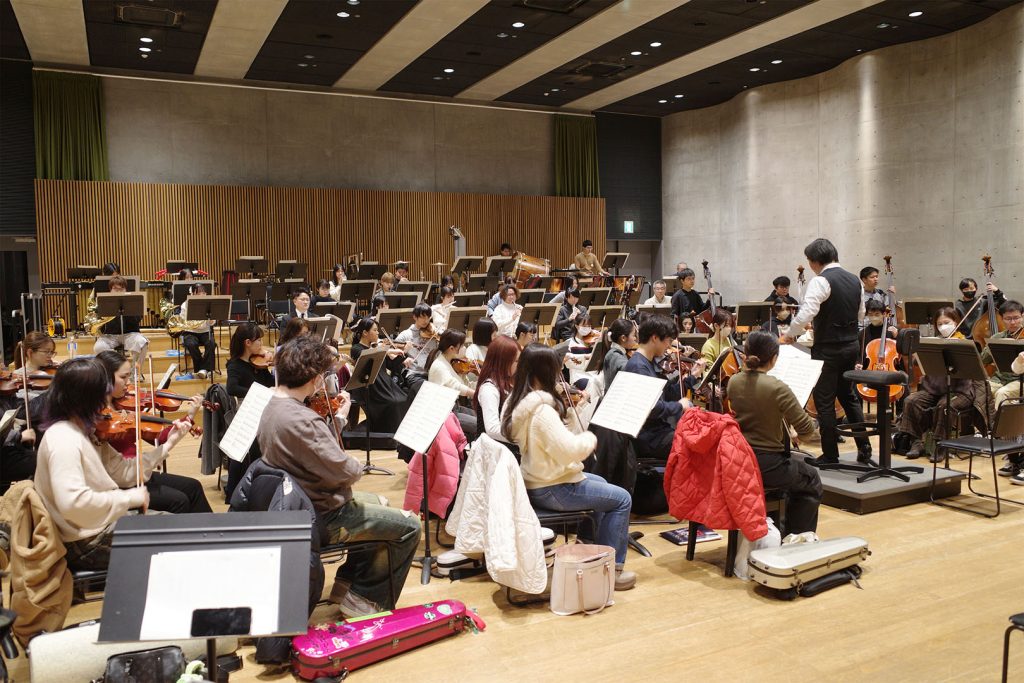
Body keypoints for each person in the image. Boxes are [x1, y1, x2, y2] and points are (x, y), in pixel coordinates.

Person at [257, 336, 419, 615]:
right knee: (410, 526)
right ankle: (365, 599)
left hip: (301, 502)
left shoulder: (272, 405)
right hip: (323, 512)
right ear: (313, 378)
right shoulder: (303, 419)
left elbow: (313, 453)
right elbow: (347, 472)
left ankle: (347, 584)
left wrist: (339, 418)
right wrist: (353, 460)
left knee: (381, 502)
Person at [502, 344, 635, 591]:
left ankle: (588, 546)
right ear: (546, 371)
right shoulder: (542, 411)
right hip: (553, 487)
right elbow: (570, 450)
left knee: (602, 485)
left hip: (537, 481)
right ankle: (612, 571)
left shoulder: (520, 403)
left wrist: (573, 412)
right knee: (622, 499)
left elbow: (553, 441)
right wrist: (590, 438)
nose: (559, 374)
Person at [33, 358, 159, 570]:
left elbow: (120, 470)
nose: (107, 398)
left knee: (181, 528)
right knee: (178, 541)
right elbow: (73, 503)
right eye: (104, 391)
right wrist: (128, 498)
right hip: (85, 541)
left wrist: (166, 446)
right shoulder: (64, 439)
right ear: (89, 397)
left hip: (96, 527)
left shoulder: (79, 430)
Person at [783, 238, 874, 467]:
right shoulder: (855, 280)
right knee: (848, 396)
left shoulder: (820, 281)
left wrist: (790, 334)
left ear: (815, 261)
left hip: (828, 349)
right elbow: (861, 314)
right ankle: (864, 447)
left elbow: (807, 313)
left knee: (824, 401)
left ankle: (830, 455)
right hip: (851, 345)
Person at [725, 331, 821, 535]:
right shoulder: (777, 387)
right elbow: (807, 429)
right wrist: (801, 433)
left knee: (793, 475)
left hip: (740, 459)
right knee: (811, 478)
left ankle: (777, 530)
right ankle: (797, 538)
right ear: (774, 359)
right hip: (767, 464)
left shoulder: (734, 381)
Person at [94, 350, 211, 514]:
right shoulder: (98, 416)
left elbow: (159, 437)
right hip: (122, 480)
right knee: (180, 500)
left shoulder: (122, 406)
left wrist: (190, 415)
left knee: (193, 487)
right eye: (123, 377)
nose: (128, 383)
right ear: (105, 378)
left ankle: (214, 530)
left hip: (139, 470)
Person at [896, 307, 988, 461]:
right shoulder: (933, 343)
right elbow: (918, 363)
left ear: (956, 322)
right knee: (911, 400)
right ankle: (916, 442)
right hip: (934, 389)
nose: (943, 327)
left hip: (961, 391)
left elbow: (974, 370)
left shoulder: (965, 343)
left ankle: (941, 445)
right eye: (939, 324)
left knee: (944, 406)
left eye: (947, 322)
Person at [623, 316, 693, 460]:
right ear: (655, 338)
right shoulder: (638, 366)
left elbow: (667, 394)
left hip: (657, 432)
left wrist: (690, 379)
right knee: (697, 446)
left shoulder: (648, 363)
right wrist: (680, 406)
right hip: (649, 437)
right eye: (668, 340)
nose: (669, 345)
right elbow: (651, 409)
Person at [224, 323, 276, 497]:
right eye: (258, 340)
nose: (261, 344)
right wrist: (258, 392)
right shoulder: (235, 365)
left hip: (263, 409)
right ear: (247, 343)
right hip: (247, 411)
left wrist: (272, 366)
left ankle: (260, 485)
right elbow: (232, 388)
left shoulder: (258, 363)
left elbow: (271, 383)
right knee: (246, 448)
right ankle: (235, 490)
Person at [350, 317, 409, 433]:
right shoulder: (356, 348)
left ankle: (398, 433)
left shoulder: (377, 348)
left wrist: (403, 354)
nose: (378, 333)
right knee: (392, 403)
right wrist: (386, 350)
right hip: (369, 385)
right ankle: (387, 434)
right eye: (375, 330)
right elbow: (367, 354)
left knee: (404, 399)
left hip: (384, 383)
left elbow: (391, 366)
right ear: (365, 333)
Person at [426, 329, 478, 439]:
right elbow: (455, 386)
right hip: (444, 412)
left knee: (481, 418)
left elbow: (464, 384)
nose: (464, 348)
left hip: (454, 407)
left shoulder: (449, 362)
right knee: (478, 425)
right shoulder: (440, 366)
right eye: (462, 345)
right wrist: (476, 394)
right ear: (451, 348)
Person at [92, 275, 150, 372]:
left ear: (125, 289)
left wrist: (125, 310)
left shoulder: (134, 301)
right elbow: (100, 324)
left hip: (130, 334)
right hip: (109, 336)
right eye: (115, 289)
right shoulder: (103, 301)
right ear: (110, 290)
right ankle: (112, 371)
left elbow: (137, 320)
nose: (118, 291)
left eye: (121, 288)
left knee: (142, 343)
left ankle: (134, 372)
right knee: (98, 347)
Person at [473, 335, 519, 446]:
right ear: (503, 362)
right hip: (495, 451)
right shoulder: (489, 389)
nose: (519, 365)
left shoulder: (507, 381)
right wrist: (524, 437)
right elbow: (493, 429)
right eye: (516, 361)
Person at [981, 300, 1024, 405]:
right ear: (1002, 319)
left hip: (1021, 380)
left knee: (1002, 393)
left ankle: (999, 417)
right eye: (1008, 319)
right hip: (999, 379)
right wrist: (994, 344)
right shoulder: (998, 337)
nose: (1012, 322)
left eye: (1016, 318)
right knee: (980, 390)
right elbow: (982, 360)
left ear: (1022, 316)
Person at [395, 303, 438, 391]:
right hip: (413, 374)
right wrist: (404, 355)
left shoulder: (433, 334)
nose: (426, 321)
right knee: (426, 389)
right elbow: (393, 352)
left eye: (428, 317)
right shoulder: (406, 334)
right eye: (423, 317)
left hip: (431, 373)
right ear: (415, 317)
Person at [179, 283, 217, 380]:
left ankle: (203, 370)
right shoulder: (185, 305)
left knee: (211, 343)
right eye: (199, 292)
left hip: (205, 331)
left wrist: (212, 321)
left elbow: (213, 321)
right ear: (192, 293)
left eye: (203, 292)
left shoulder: (209, 303)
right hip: (190, 331)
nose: (202, 294)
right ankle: (202, 369)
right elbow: (184, 321)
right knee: (191, 344)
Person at [8, 331, 57, 405]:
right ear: (30, 352)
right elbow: (21, 395)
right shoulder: (19, 375)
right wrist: (52, 398)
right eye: (46, 352)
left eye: (52, 352)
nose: (50, 356)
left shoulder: (49, 369)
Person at [857, 299, 898, 369]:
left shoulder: (892, 331)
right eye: (870, 314)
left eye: (877, 314)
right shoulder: (862, 334)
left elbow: (901, 354)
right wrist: (857, 363)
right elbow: (858, 354)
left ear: (884, 314)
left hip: (889, 368)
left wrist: (896, 337)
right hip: (869, 369)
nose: (873, 317)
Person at [600, 318, 637, 389]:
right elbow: (629, 373)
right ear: (623, 338)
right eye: (633, 335)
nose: (635, 338)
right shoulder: (616, 356)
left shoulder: (612, 352)